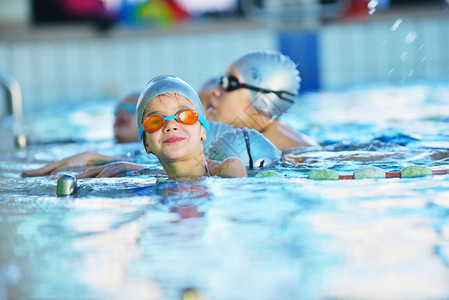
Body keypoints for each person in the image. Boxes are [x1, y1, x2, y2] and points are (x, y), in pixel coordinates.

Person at [76, 75, 247, 179]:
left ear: (203, 130)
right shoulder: (159, 177)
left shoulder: (228, 168)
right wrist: (122, 166)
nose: (171, 125)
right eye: (155, 121)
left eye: (184, 116)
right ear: (146, 144)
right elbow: (161, 172)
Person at [207, 50, 319, 151]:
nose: (215, 91)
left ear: (261, 97)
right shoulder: (272, 137)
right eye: (221, 80)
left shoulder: (272, 144)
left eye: (229, 82)